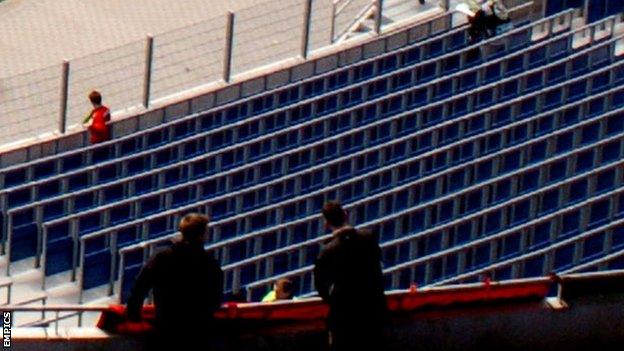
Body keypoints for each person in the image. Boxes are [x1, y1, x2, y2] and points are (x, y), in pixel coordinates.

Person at [126, 213, 224, 350]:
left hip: (164, 329)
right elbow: (216, 300)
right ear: (202, 235)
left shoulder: (162, 257)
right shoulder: (209, 263)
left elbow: (140, 287)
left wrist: (134, 315)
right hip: (197, 334)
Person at [314, 201, 387, 351]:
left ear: (326, 224)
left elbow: (320, 286)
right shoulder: (369, 238)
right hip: (373, 313)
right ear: (346, 214)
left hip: (344, 317)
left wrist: (335, 301)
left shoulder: (327, 251)